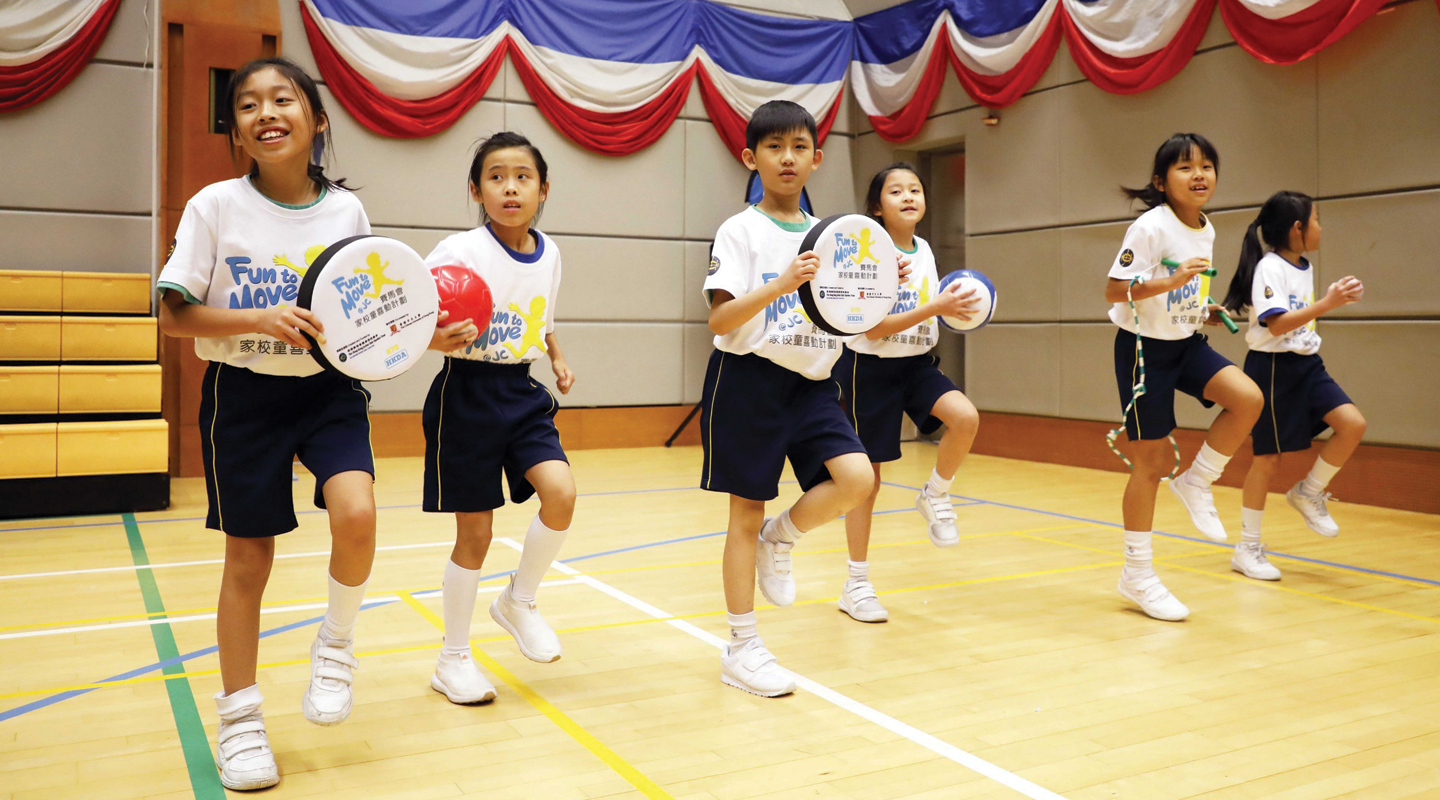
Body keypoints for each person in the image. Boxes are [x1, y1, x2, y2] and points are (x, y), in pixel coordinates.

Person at [156, 58, 375, 790]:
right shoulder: (214, 206)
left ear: (315, 119)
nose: (264, 111)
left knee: (358, 512)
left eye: (283, 98)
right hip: (242, 398)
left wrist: (421, 333)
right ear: (237, 131)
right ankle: (241, 721)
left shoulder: (346, 213)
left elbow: (363, 312)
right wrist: (258, 318)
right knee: (249, 561)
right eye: (246, 104)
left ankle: (336, 647)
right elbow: (173, 312)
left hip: (326, 390)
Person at [421, 132, 577, 704]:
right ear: (476, 190)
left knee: (560, 493)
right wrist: (437, 339)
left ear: (542, 189)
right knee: (476, 534)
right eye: (495, 176)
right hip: (465, 394)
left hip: (522, 391)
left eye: (522, 176)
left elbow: (545, 316)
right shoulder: (458, 252)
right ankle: (453, 659)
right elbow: (414, 317)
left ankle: (519, 599)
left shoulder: (551, 253)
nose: (510, 186)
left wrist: (557, 357)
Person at [1105, 133, 1263, 621]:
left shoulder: (1206, 228)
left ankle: (1198, 480)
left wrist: (1199, 307)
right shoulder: (1150, 227)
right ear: (1161, 181)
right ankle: (1137, 573)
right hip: (1142, 350)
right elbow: (1115, 290)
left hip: (1185, 342)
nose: (1199, 175)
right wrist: (1171, 282)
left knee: (1247, 399)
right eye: (1185, 167)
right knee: (1149, 462)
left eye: (1207, 166)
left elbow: (1182, 292)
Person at [833, 162, 982, 623]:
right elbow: (875, 329)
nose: (908, 196)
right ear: (877, 207)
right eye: (895, 191)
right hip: (868, 369)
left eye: (915, 189)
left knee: (966, 417)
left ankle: (935, 493)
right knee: (867, 482)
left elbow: (930, 311)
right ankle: (856, 584)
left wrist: (957, 309)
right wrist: (936, 306)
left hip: (916, 365)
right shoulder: (869, 253)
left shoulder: (924, 249)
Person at [1219, 191, 1365, 580]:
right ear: (1297, 228)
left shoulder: (1302, 265)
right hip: (1272, 369)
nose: (1320, 227)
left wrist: (1332, 300)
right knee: (1267, 459)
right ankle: (1247, 548)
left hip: (1307, 364)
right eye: (1316, 220)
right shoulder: (1269, 267)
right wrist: (1330, 302)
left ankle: (1308, 492)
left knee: (1352, 424)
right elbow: (1278, 323)